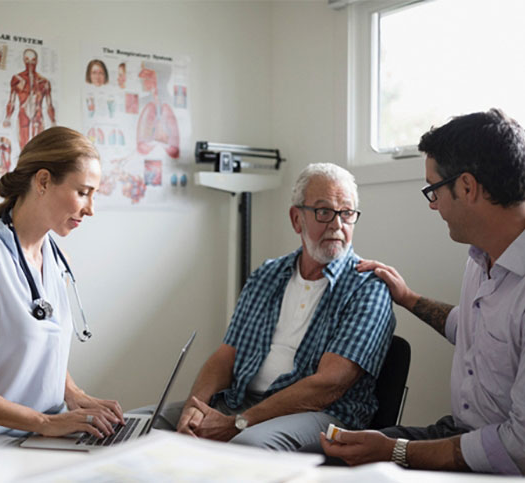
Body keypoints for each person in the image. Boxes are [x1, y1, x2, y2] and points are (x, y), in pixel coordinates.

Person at [319, 109, 525, 475]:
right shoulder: (481, 256)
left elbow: (517, 448)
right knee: (322, 457)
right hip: (461, 431)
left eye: (434, 190)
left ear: (466, 187)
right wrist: (408, 298)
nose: (433, 206)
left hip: (503, 460)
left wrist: (396, 451)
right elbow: (473, 329)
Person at [156, 163, 395, 451]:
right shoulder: (267, 274)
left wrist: (239, 423)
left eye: (346, 213)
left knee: (247, 446)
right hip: (241, 401)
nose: (337, 224)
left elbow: (329, 385)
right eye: (324, 212)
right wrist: (195, 408)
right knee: (147, 426)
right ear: (297, 219)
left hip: (320, 415)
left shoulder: (368, 286)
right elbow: (225, 355)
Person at [0, 126, 124, 447]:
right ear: (43, 181)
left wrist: (73, 394)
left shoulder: (56, 258)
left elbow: (40, 353)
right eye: (84, 192)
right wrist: (44, 422)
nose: (90, 209)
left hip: (44, 433)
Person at [2, 49, 56, 150]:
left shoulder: (44, 82)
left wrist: (53, 122)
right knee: (23, 146)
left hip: (38, 115)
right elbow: (12, 101)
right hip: (23, 114)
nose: (30, 63)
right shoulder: (17, 79)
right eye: (27, 60)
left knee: (39, 147)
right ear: (23, 60)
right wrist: (7, 118)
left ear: (37, 61)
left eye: (33, 60)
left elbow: (49, 104)